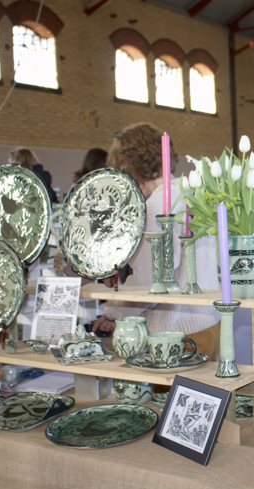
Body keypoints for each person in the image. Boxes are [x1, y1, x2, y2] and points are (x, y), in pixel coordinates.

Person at [91, 123, 220, 359]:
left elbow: (150, 279)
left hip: (176, 330)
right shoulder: (194, 191)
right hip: (208, 320)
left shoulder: (159, 203)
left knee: (167, 396)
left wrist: (112, 311)